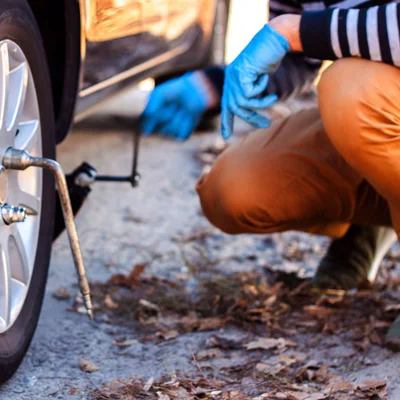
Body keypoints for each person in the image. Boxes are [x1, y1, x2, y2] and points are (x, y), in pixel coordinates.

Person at [140, 0, 400, 348]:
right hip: (384, 108)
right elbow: (299, 54)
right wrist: (215, 84)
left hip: (369, 95)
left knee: (351, 88)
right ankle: (371, 222)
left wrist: (294, 31)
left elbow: (302, 32)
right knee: (234, 190)